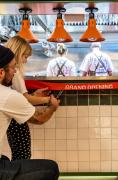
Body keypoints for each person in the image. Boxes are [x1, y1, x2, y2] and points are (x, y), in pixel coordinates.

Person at [0, 45, 60, 180]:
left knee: (6, 158)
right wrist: (52, 107)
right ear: (1, 72)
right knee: (51, 168)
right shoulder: (7, 95)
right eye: (12, 68)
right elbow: (39, 119)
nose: (15, 72)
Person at [5, 36, 51, 161]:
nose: (26, 61)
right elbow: (26, 98)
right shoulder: (15, 73)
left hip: (13, 116)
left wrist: (35, 95)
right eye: (25, 56)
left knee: (20, 152)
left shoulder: (12, 72)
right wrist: (48, 101)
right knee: (23, 154)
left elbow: (21, 96)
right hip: (16, 118)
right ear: (17, 52)